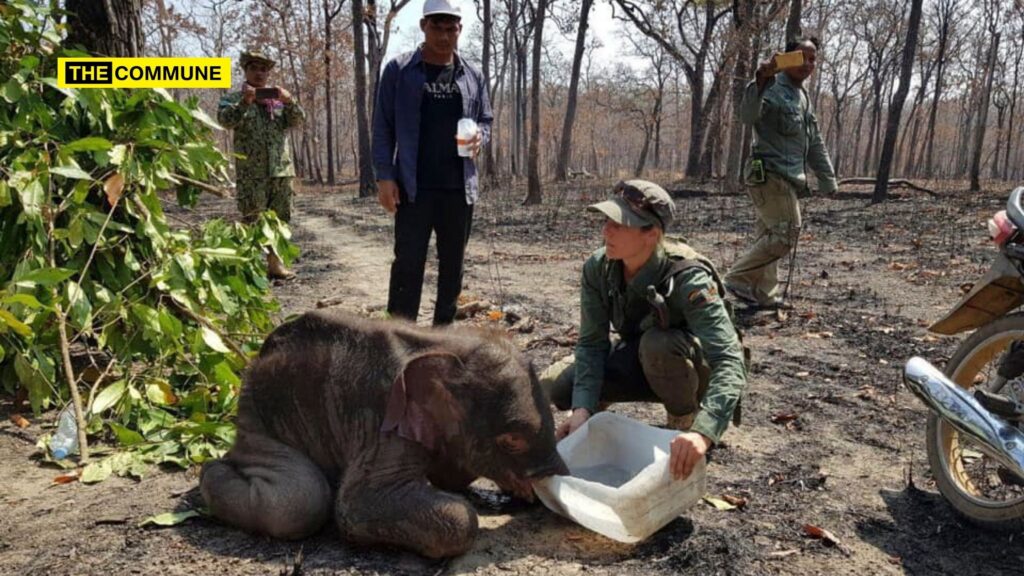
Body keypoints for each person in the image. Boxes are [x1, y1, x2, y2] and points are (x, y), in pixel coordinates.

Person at [540, 180, 748, 482]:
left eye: (619, 224)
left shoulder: (688, 277)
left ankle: (682, 425)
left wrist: (705, 431)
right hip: (636, 359)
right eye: (606, 221)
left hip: (685, 370)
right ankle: (595, 411)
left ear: (651, 234)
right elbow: (591, 344)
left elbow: (729, 358)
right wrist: (581, 408)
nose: (606, 231)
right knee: (553, 386)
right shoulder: (599, 267)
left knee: (658, 345)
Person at [372, 0, 493, 325]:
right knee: (408, 263)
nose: (443, 35)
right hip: (413, 187)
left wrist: (481, 136)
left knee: (453, 264)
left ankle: (443, 332)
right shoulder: (399, 70)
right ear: (424, 26)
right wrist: (385, 177)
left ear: (459, 30)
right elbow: (383, 125)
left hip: (458, 187)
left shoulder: (473, 74)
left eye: (450, 28)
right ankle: (399, 334)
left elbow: (485, 119)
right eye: (437, 27)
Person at [724, 35, 837, 309]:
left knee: (769, 236)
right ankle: (736, 279)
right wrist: (760, 80)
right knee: (787, 233)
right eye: (801, 56)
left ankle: (765, 294)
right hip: (769, 174)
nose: (808, 63)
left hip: (788, 177)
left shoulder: (803, 96)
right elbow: (748, 117)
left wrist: (827, 177)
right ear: (786, 58)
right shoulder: (771, 86)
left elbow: (814, 140)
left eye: (813, 59)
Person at [217, 50, 305, 280]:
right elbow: (225, 121)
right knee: (252, 218)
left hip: (281, 170)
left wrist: (289, 101)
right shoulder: (232, 99)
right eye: (254, 68)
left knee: (280, 219)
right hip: (251, 173)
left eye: (264, 69)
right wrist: (245, 103)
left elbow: (297, 120)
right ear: (245, 70)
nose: (260, 73)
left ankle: (275, 265)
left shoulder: (275, 100)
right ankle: (249, 268)